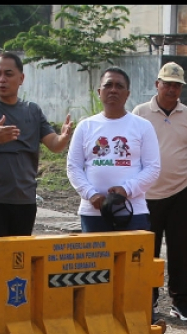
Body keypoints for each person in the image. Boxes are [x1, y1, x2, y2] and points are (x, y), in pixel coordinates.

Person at [0, 51, 73, 311]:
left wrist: (65, 137)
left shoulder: (32, 111)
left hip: (24, 200)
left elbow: (54, 145)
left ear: (21, 78)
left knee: (18, 262)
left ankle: (14, 312)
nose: (2, 79)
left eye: (8, 74)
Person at [134, 62, 187, 322]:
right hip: (146, 194)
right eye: (167, 84)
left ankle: (181, 302)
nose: (172, 89)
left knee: (182, 250)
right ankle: (147, 299)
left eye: (177, 85)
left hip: (180, 193)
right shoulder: (140, 113)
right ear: (157, 84)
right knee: (146, 251)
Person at [66, 67, 161, 235]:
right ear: (99, 92)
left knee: (133, 261)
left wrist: (127, 189)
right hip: (93, 213)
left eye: (119, 86)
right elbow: (73, 167)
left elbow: (153, 168)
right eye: (108, 85)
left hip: (133, 212)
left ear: (128, 93)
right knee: (97, 261)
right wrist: (91, 194)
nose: (113, 90)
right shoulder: (86, 126)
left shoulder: (142, 126)